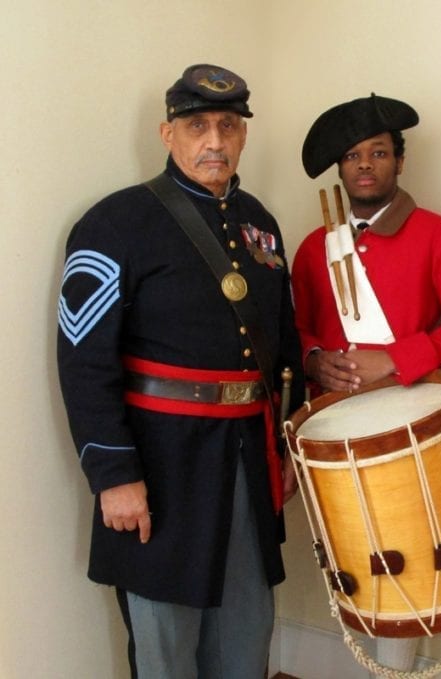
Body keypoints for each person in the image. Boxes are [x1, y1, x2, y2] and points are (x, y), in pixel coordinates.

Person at [57, 64, 304, 678]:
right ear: (169, 134)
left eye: (227, 125)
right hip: (160, 468)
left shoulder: (261, 224)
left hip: (246, 460)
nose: (214, 142)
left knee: (246, 637)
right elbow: (84, 361)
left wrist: (284, 446)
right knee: (165, 644)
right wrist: (113, 473)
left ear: (244, 135)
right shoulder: (115, 223)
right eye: (197, 126)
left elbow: (283, 346)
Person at [291, 94, 441, 672]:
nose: (364, 165)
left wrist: (394, 360)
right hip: (343, 442)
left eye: (378, 152)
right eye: (352, 156)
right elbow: (293, 331)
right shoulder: (314, 249)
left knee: (414, 580)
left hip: (415, 430)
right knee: (362, 575)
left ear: (400, 161)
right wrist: (316, 360)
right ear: (340, 170)